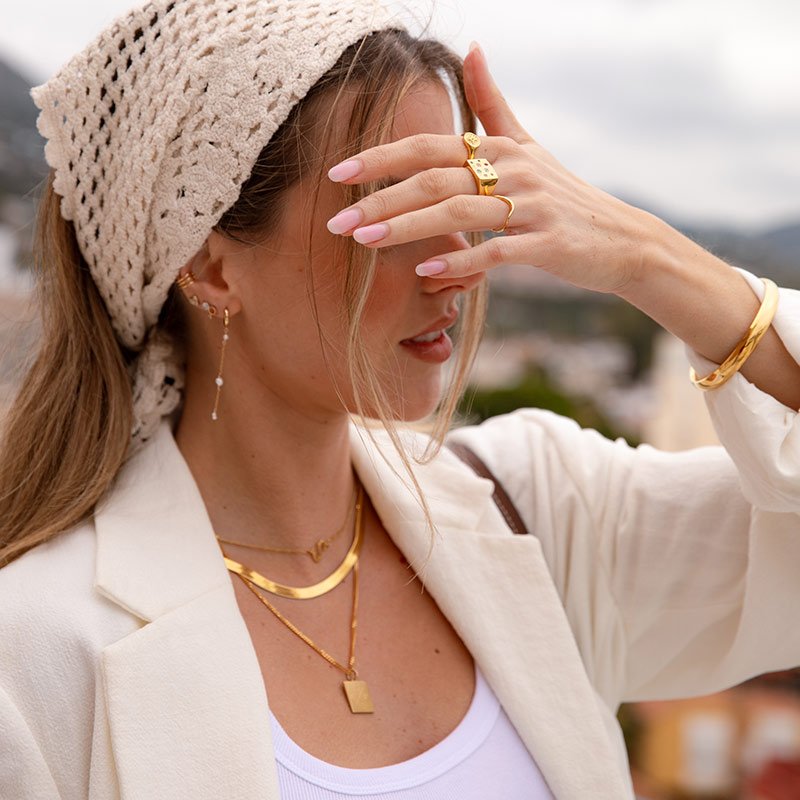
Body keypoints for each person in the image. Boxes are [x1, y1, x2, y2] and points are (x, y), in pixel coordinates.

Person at [0, 0, 798, 798]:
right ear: (211, 267)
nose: (457, 261)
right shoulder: (38, 652)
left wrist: (648, 259)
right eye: (398, 207)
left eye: (464, 199)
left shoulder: (539, 512)